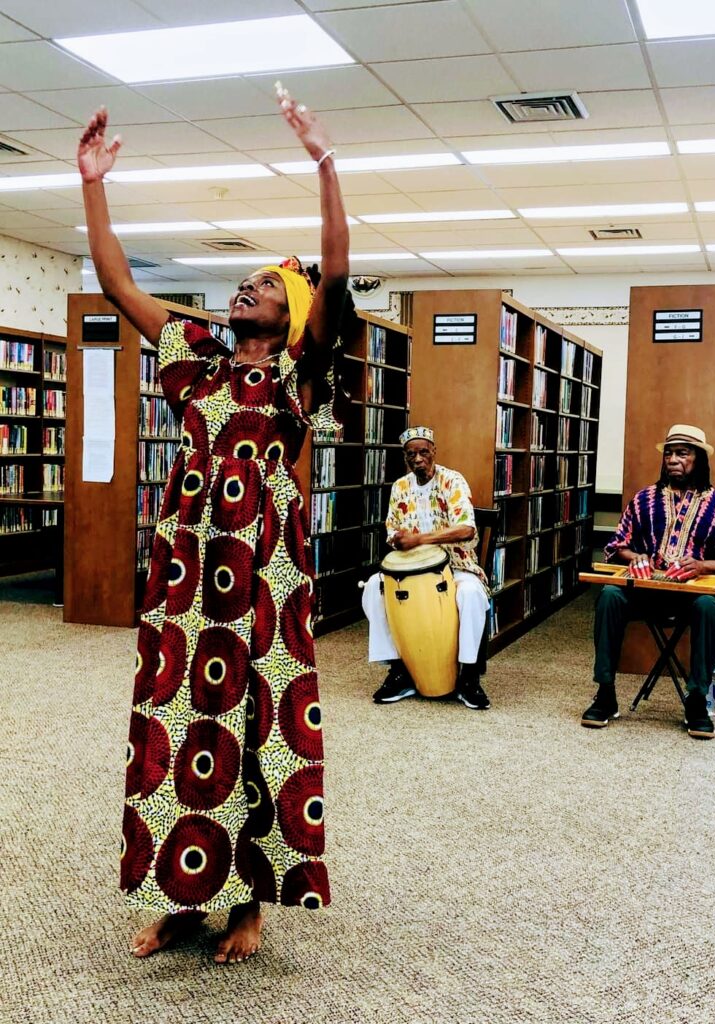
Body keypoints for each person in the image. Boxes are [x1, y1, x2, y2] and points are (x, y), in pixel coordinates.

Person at [77, 87, 349, 963]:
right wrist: (92, 186)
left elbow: (337, 273)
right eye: (246, 280)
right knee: (175, 714)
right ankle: (177, 894)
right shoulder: (191, 354)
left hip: (264, 566)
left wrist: (323, 160)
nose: (249, 288)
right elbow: (118, 282)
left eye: (269, 288)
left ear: (291, 319)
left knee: (258, 718)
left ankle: (247, 908)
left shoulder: (300, 379)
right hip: (188, 565)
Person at [581, 424, 715, 739]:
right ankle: (605, 693)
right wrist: (635, 557)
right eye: (669, 453)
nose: (673, 459)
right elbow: (617, 544)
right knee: (609, 595)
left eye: (682, 453)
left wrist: (702, 565)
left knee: (709, 607)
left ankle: (697, 700)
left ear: (699, 459)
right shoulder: (644, 499)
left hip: (691, 594)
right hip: (648, 590)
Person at [361, 427, 491, 710]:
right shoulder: (400, 487)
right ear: (405, 458)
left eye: (423, 452)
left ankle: (469, 677)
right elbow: (391, 529)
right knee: (373, 587)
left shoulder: (452, 480)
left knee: (471, 595)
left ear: (434, 451)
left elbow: (467, 529)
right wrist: (397, 539)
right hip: (409, 570)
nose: (417, 458)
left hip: (456, 565)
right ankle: (399, 669)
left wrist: (420, 539)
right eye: (411, 454)